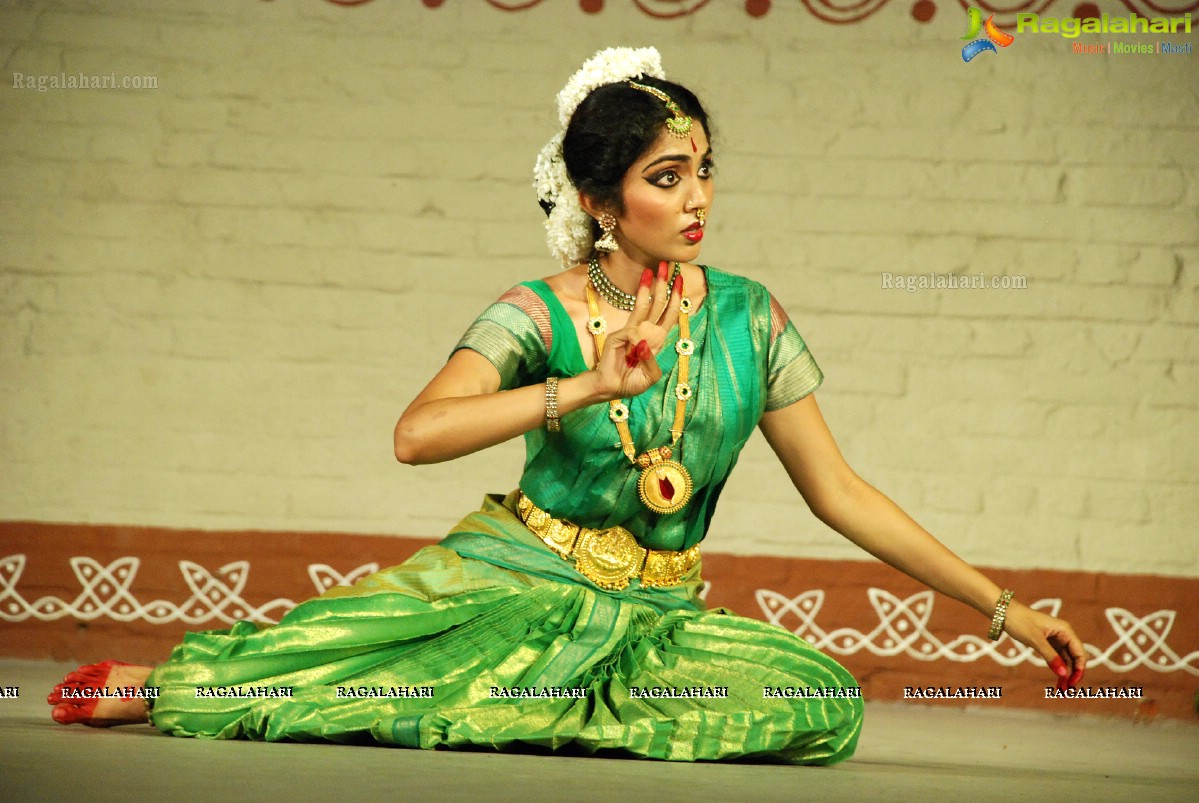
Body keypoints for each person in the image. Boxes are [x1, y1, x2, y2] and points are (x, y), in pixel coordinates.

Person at [47, 47, 1086, 765]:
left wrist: (1002, 607)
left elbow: (839, 491)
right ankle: (247, 683)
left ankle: (519, 703)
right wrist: (581, 387)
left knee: (818, 703)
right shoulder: (536, 313)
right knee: (304, 663)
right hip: (514, 578)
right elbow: (417, 435)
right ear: (598, 200)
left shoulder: (747, 318)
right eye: (666, 176)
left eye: (704, 173)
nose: (697, 200)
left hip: (651, 619)